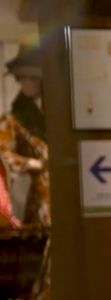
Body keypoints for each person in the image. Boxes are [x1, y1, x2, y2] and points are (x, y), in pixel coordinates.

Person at [0, 41, 49, 228]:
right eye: (23, 77)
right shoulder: (13, 119)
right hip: (37, 199)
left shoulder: (58, 113)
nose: (27, 82)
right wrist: (31, 163)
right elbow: (2, 154)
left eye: (33, 77)